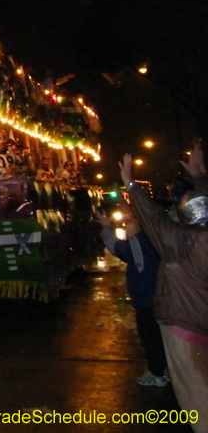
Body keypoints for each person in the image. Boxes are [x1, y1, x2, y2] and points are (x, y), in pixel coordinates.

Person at [119, 146, 208, 431]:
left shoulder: (178, 240)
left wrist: (130, 183)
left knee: (195, 393)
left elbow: (151, 216)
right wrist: (199, 176)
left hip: (184, 326)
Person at [98, 204, 168, 386]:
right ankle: (164, 369)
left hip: (147, 297)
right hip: (162, 295)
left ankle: (157, 373)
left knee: (150, 337)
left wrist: (106, 228)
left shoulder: (139, 242)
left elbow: (117, 248)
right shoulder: (157, 237)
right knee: (161, 337)